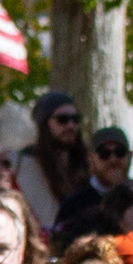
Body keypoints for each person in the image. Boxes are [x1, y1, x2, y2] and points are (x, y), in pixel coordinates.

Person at [14, 92, 91, 234]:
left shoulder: (88, 165)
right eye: (63, 119)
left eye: (75, 119)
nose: (70, 125)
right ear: (44, 124)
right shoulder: (20, 163)